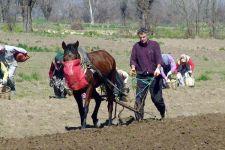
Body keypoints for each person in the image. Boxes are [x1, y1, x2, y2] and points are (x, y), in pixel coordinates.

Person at [130, 27, 166, 121]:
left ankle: (163, 113)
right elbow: (133, 59)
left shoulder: (154, 45)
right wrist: (133, 67)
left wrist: (158, 68)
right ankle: (139, 120)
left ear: (147, 36)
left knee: (156, 99)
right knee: (139, 99)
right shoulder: (136, 46)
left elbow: (159, 59)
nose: (142, 39)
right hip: (141, 76)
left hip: (154, 76)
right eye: (140, 37)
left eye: (144, 37)